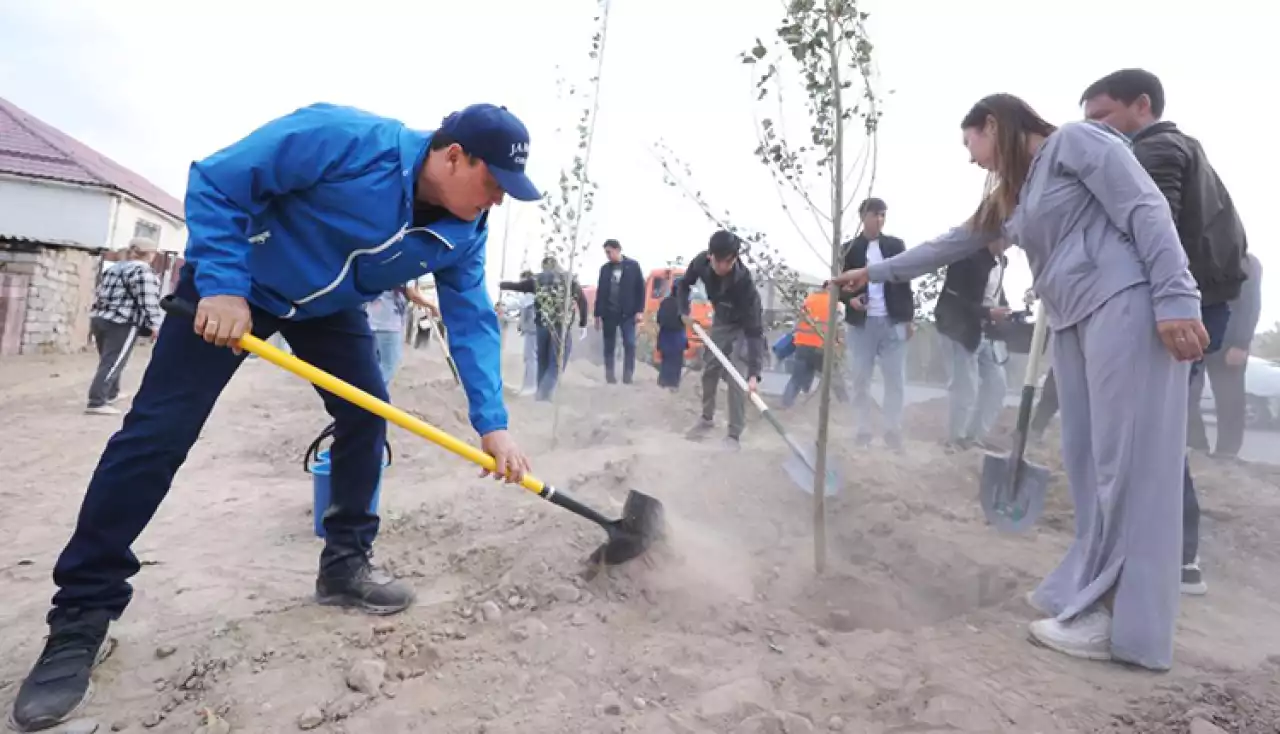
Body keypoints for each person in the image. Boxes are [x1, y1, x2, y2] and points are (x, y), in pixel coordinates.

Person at [10, 101, 540, 732]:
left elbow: (473, 321)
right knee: (157, 436)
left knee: (367, 417)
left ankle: (345, 564)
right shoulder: (345, 139)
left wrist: (493, 422)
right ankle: (79, 621)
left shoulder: (464, 232)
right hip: (236, 283)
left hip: (327, 310)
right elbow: (218, 179)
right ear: (454, 155)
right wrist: (226, 286)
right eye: (493, 185)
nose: (497, 203)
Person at [830, 94, 1207, 671]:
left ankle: (1120, 619)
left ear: (992, 124)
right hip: (1076, 320)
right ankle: (1085, 592)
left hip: (1124, 305)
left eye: (971, 144)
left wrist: (1176, 294)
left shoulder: (1078, 142)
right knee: (1088, 463)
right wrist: (871, 272)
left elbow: (1145, 207)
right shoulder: (1017, 194)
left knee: (1127, 466)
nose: (972, 159)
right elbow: (948, 245)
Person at [1081, 68, 1250, 597]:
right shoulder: (1182, 147)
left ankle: (1176, 558)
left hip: (1179, 310)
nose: (1096, 131)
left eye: (1103, 117)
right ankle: (1177, 555)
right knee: (1160, 431)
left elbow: (1156, 231)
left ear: (1143, 106)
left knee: (1155, 434)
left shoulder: (1156, 150)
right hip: (1198, 303)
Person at [839, 198, 914, 450]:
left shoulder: (895, 245)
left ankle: (892, 430)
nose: (879, 220)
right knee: (860, 379)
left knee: (895, 380)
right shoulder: (849, 249)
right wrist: (851, 301)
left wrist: (908, 318)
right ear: (863, 216)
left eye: (883, 215)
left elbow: (905, 282)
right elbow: (839, 286)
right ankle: (863, 430)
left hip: (892, 321)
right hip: (862, 324)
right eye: (875, 215)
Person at [680, 230, 766, 449]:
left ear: (735, 258)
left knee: (737, 375)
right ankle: (707, 418)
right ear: (710, 256)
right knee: (710, 369)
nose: (722, 267)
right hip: (721, 320)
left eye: (727, 262)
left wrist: (755, 373)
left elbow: (755, 331)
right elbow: (683, 284)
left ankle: (733, 435)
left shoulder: (744, 283)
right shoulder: (701, 262)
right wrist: (683, 310)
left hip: (743, 326)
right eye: (718, 261)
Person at [934, 246, 1010, 450]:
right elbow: (956, 300)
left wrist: (1004, 312)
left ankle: (974, 437)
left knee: (997, 384)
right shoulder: (965, 257)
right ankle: (954, 439)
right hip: (958, 329)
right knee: (965, 386)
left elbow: (994, 293)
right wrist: (988, 313)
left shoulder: (1001, 262)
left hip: (985, 331)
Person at [1188, 252, 1263, 460]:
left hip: (1230, 343)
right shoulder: (1195, 257)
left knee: (1230, 398)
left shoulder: (1246, 263)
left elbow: (1251, 305)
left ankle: (1227, 452)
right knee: (1188, 393)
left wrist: (1241, 342)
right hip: (1197, 337)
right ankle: (1196, 446)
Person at [84, 237, 164, 415]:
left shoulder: (114, 268)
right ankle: (97, 401)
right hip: (122, 322)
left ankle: (111, 393)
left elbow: (100, 292)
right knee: (113, 361)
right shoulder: (143, 273)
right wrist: (156, 325)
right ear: (150, 254)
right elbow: (148, 301)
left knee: (109, 359)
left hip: (100, 318)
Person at [499, 256, 588, 402]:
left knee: (543, 361)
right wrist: (583, 323)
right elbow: (582, 301)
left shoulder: (537, 280)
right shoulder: (569, 280)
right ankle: (543, 394)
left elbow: (519, 286)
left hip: (541, 325)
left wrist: (502, 284)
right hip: (560, 327)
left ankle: (541, 397)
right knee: (557, 363)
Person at [365, 282, 438, 386]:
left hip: (371, 318)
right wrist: (431, 306)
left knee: (375, 364)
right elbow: (412, 294)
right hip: (388, 322)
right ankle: (372, 395)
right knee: (389, 366)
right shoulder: (406, 268)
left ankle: (366, 394)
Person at [593, 239, 646, 384]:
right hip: (609, 313)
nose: (608, 255)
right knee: (609, 345)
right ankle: (610, 375)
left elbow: (641, 289)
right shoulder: (605, 269)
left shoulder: (633, 266)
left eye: (609, 252)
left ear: (617, 250)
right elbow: (600, 292)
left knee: (629, 343)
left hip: (627, 314)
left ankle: (628, 374)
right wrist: (597, 315)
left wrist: (639, 311)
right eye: (606, 253)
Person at [781, 287, 842, 409]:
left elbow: (800, 320)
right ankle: (845, 402)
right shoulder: (836, 303)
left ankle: (786, 403)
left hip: (802, 344)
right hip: (821, 345)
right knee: (834, 375)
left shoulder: (809, 299)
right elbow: (838, 325)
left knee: (797, 377)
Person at [655, 285, 687, 389]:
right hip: (678, 337)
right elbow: (685, 320)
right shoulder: (684, 304)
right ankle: (673, 384)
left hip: (665, 336)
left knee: (666, 360)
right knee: (677, 361)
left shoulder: (665, 302)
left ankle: (663, 382)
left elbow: (659, 319)